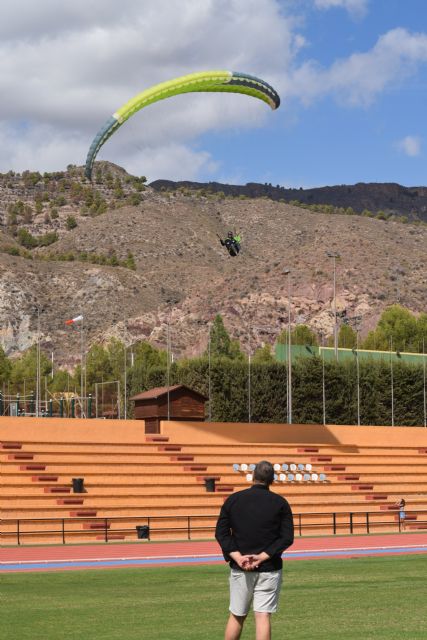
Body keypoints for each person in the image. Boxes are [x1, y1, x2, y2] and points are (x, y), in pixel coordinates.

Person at [215, 460, 294, 640]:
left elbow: (221, 533)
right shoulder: (280, 503)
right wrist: (262, 557)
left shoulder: (233, 499)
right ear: (272, 480)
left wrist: (237, 557)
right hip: (269, 567)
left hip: (240, 568)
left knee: (237, 615)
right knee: (263, 616)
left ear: (252, 476)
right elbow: (286, 538)